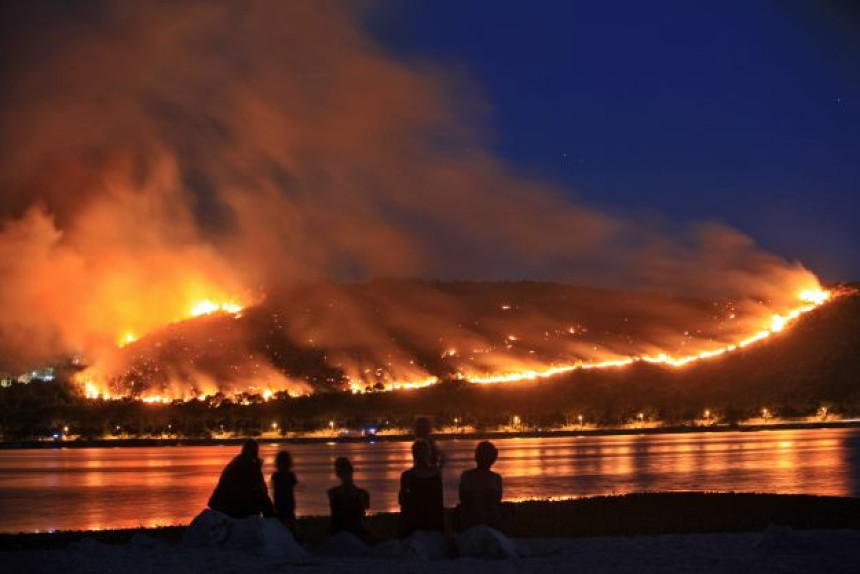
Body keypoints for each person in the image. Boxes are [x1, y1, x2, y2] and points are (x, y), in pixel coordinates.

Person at [208, 439, 274, 519]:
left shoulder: (236, 462)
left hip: (221, 504)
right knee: (262, 498)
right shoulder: (249, 465)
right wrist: (257, 467)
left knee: (259, 495)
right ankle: (273, 520)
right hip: (233, 506)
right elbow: (262, 489)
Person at [398, 439, 444, 536]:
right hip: (425, 520)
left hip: (424, 520)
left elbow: (402, 500)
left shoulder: (407, 475)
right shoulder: (436, 474)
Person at [458, 441, 504, 531]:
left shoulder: (466, 475)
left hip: (471, 519)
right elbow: (497, 501)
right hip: (489, 520)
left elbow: (462, 499)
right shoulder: (496, 478)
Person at [327, 456, 371, 541]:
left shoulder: (332, 493)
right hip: (345, 533)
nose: (346, 475)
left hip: (349, 533)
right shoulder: (333, 493)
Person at [271, 450, 298, 528]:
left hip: (279, 504)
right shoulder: (290, 475)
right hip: (288, 504)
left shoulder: (275, 476)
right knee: (290, 521)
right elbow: (294, 483)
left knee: (281, 522)